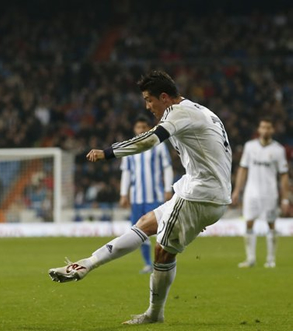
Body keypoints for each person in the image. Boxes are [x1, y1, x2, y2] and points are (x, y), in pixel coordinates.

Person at [48, 70, 232, 325]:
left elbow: (150, 140)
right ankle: (86, 264)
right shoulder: (201, 111)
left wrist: (108, 152)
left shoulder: (179, 113)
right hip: (202, 189)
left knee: (163, 252)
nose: (147, 106)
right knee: (146, 223)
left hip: (200, 195)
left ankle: (154, 314)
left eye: (149, 99)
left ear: (164, 97)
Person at [231, 118, 289, 268]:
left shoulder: (278, 150)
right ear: (259, 129)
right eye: (263, 127)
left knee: (271, 224)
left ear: (272, 130)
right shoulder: (250, 147)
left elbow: (283, 175)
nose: (265, 130)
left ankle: (270, 260)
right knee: (249, 222)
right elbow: (243, 169)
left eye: (268, 128)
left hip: (270, 193)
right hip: (251, 192)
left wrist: (285, 199)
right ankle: (250, 259)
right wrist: (237, 191)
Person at [119, 115, 174, 274]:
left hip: (155, 197)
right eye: (138, 127)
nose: (141, 130)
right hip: (137, 198)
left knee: (161, 231)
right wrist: (124, 194)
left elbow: (167, 167)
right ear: (134, 130)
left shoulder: (158, 145)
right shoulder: (130, 148)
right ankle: (148, 263)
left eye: (144, 127)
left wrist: (168, 189)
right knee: (137, 231)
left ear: (149, 129)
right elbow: (126, 173)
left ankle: (162, 261)